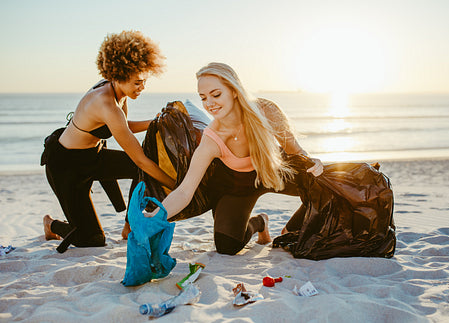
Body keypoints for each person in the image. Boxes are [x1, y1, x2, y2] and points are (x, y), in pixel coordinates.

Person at [146, 62, 323, 255]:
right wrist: (156, 217)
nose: (209, 104)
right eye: (203, 98)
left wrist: (313, 162)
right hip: (236, 187)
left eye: (216, 94)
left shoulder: (265, 111)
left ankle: (289, 230)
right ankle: (260, 222)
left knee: (323, 184)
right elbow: (184, 191)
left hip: (272, 171)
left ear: (234, 91)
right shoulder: (211, 138)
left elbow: (296, 153)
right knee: (227, 247)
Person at [42, 30, 174, 248]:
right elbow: (140, 158)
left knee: (139, 170)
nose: (142, 88)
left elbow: (121, 127)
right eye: (137, 83)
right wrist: (174, 185)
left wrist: (155, 121)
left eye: (144, 82)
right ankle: (52, 225)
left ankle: (130, 225)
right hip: (66, 167)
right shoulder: (105, 103)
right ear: (119, 75)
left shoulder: (119, 94)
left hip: (93, 157)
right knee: (92, 240)